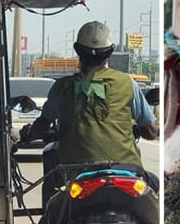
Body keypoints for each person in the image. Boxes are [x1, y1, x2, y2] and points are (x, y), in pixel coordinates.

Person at [26, 20, 159, 184]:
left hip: (74, 173)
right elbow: (151, 132)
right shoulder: (127, 83)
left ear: (77, 50)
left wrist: (30, 133)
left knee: (53, 191)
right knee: (156, 185)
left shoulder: (63, 87)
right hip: (126, 170)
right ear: (110, 52)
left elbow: (43, 123)